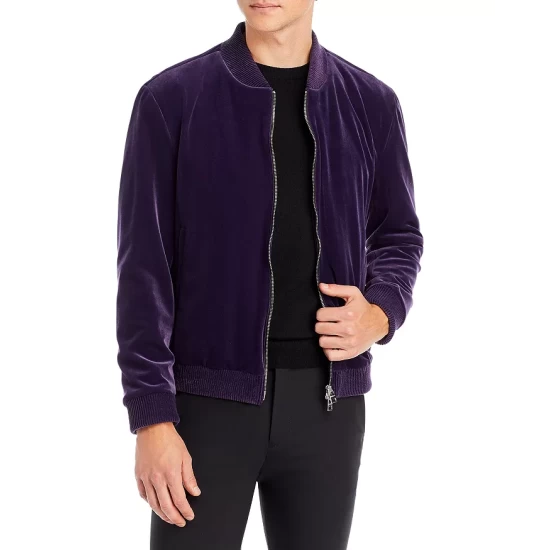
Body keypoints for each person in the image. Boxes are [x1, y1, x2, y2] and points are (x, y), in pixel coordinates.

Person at [117, 1, 423, 548]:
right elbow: (143, 271)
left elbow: (398, 234)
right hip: (204, 407)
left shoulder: (371, 103)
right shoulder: (171, 99)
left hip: (329, 407)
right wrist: (151, 417)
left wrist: (381, 313)